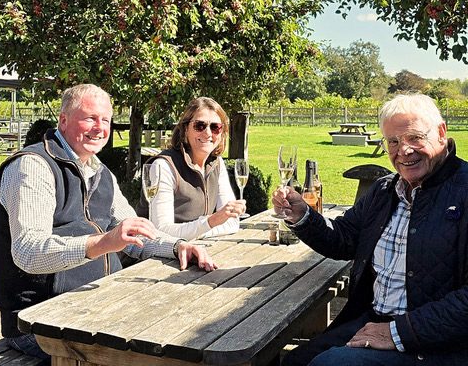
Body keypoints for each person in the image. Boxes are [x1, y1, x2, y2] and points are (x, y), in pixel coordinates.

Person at [0, 84, 217, 362]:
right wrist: (102, 243)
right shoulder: (33, 166)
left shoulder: (100, 171)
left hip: (97, 306)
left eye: (106, 120)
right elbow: (28, 251)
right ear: (63, 120)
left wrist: (177, 246)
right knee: (160, 357)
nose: (99, 128)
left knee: (191, 329)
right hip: (40, 322)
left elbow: (134, 235)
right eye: (90, 118)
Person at [273, 93, 468, 366]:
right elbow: (343, 238)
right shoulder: (385, 190)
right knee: (295, 361)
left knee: (328, 364)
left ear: (441, 132)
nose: (404, 151)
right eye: (393, 142)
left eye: (414, 137)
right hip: (374, 320)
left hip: (439, 344)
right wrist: (303, 216)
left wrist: (398, 333)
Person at [145, 97, 246, 240]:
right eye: (200, 125)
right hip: (157, 253)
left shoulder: (217, 164)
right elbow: (161, 231)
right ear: (185, 129)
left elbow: (232, 223)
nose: (208, 133)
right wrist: (211, 222)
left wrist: (201, 230)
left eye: (215, 127)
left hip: (198, 248)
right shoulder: (164, 166)